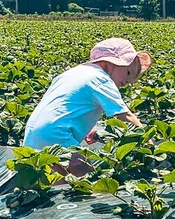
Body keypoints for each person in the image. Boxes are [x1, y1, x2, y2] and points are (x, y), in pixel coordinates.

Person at [22, 38, 151, 161]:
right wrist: (148, 143)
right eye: (128, 73)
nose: (127, 81)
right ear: (111, 62)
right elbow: (125, 116)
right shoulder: (101, 79)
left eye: (132, 80)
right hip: (57, 134)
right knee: (85, 178)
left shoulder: (75, 72)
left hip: (33, 133)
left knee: (49, 177)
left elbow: (63, 106)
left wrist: (86, 130)